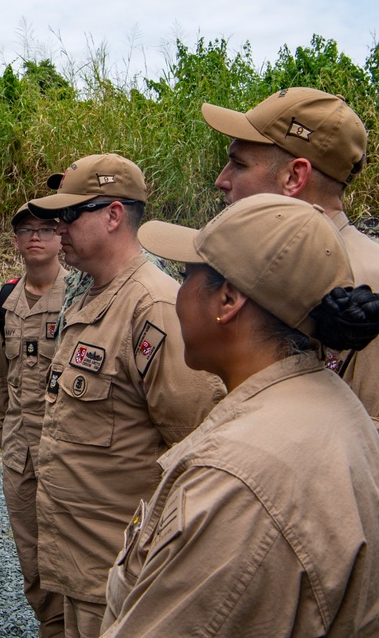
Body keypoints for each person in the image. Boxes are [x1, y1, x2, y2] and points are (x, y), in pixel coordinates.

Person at [101, 194, 379, 635]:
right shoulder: (330, 400)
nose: (177, 294)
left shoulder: (236, 477)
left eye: (186, 276)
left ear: (227, 300)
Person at [25, 153, 224, 637]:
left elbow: (199, 451)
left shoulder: (153, 306)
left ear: (114, 215)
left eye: (71, 214)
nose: (58, 228)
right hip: (78, 564)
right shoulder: (92, 294)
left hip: (120, 577)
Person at [202, 87, 379, 424]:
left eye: (239, 164)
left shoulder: (368, 281)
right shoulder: (260, 268)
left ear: (294, 177)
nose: (221, 180)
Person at [0, 203, 66, 638]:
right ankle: (51, 626)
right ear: (15, 241)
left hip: (67, 452)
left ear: (61, 238)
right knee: (31, 553)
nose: (35, 237)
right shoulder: (3, 301)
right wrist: (6, 434)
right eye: (26, 230)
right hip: (19, 453)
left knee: (73, 550)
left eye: (46, 229)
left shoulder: (79, 296)